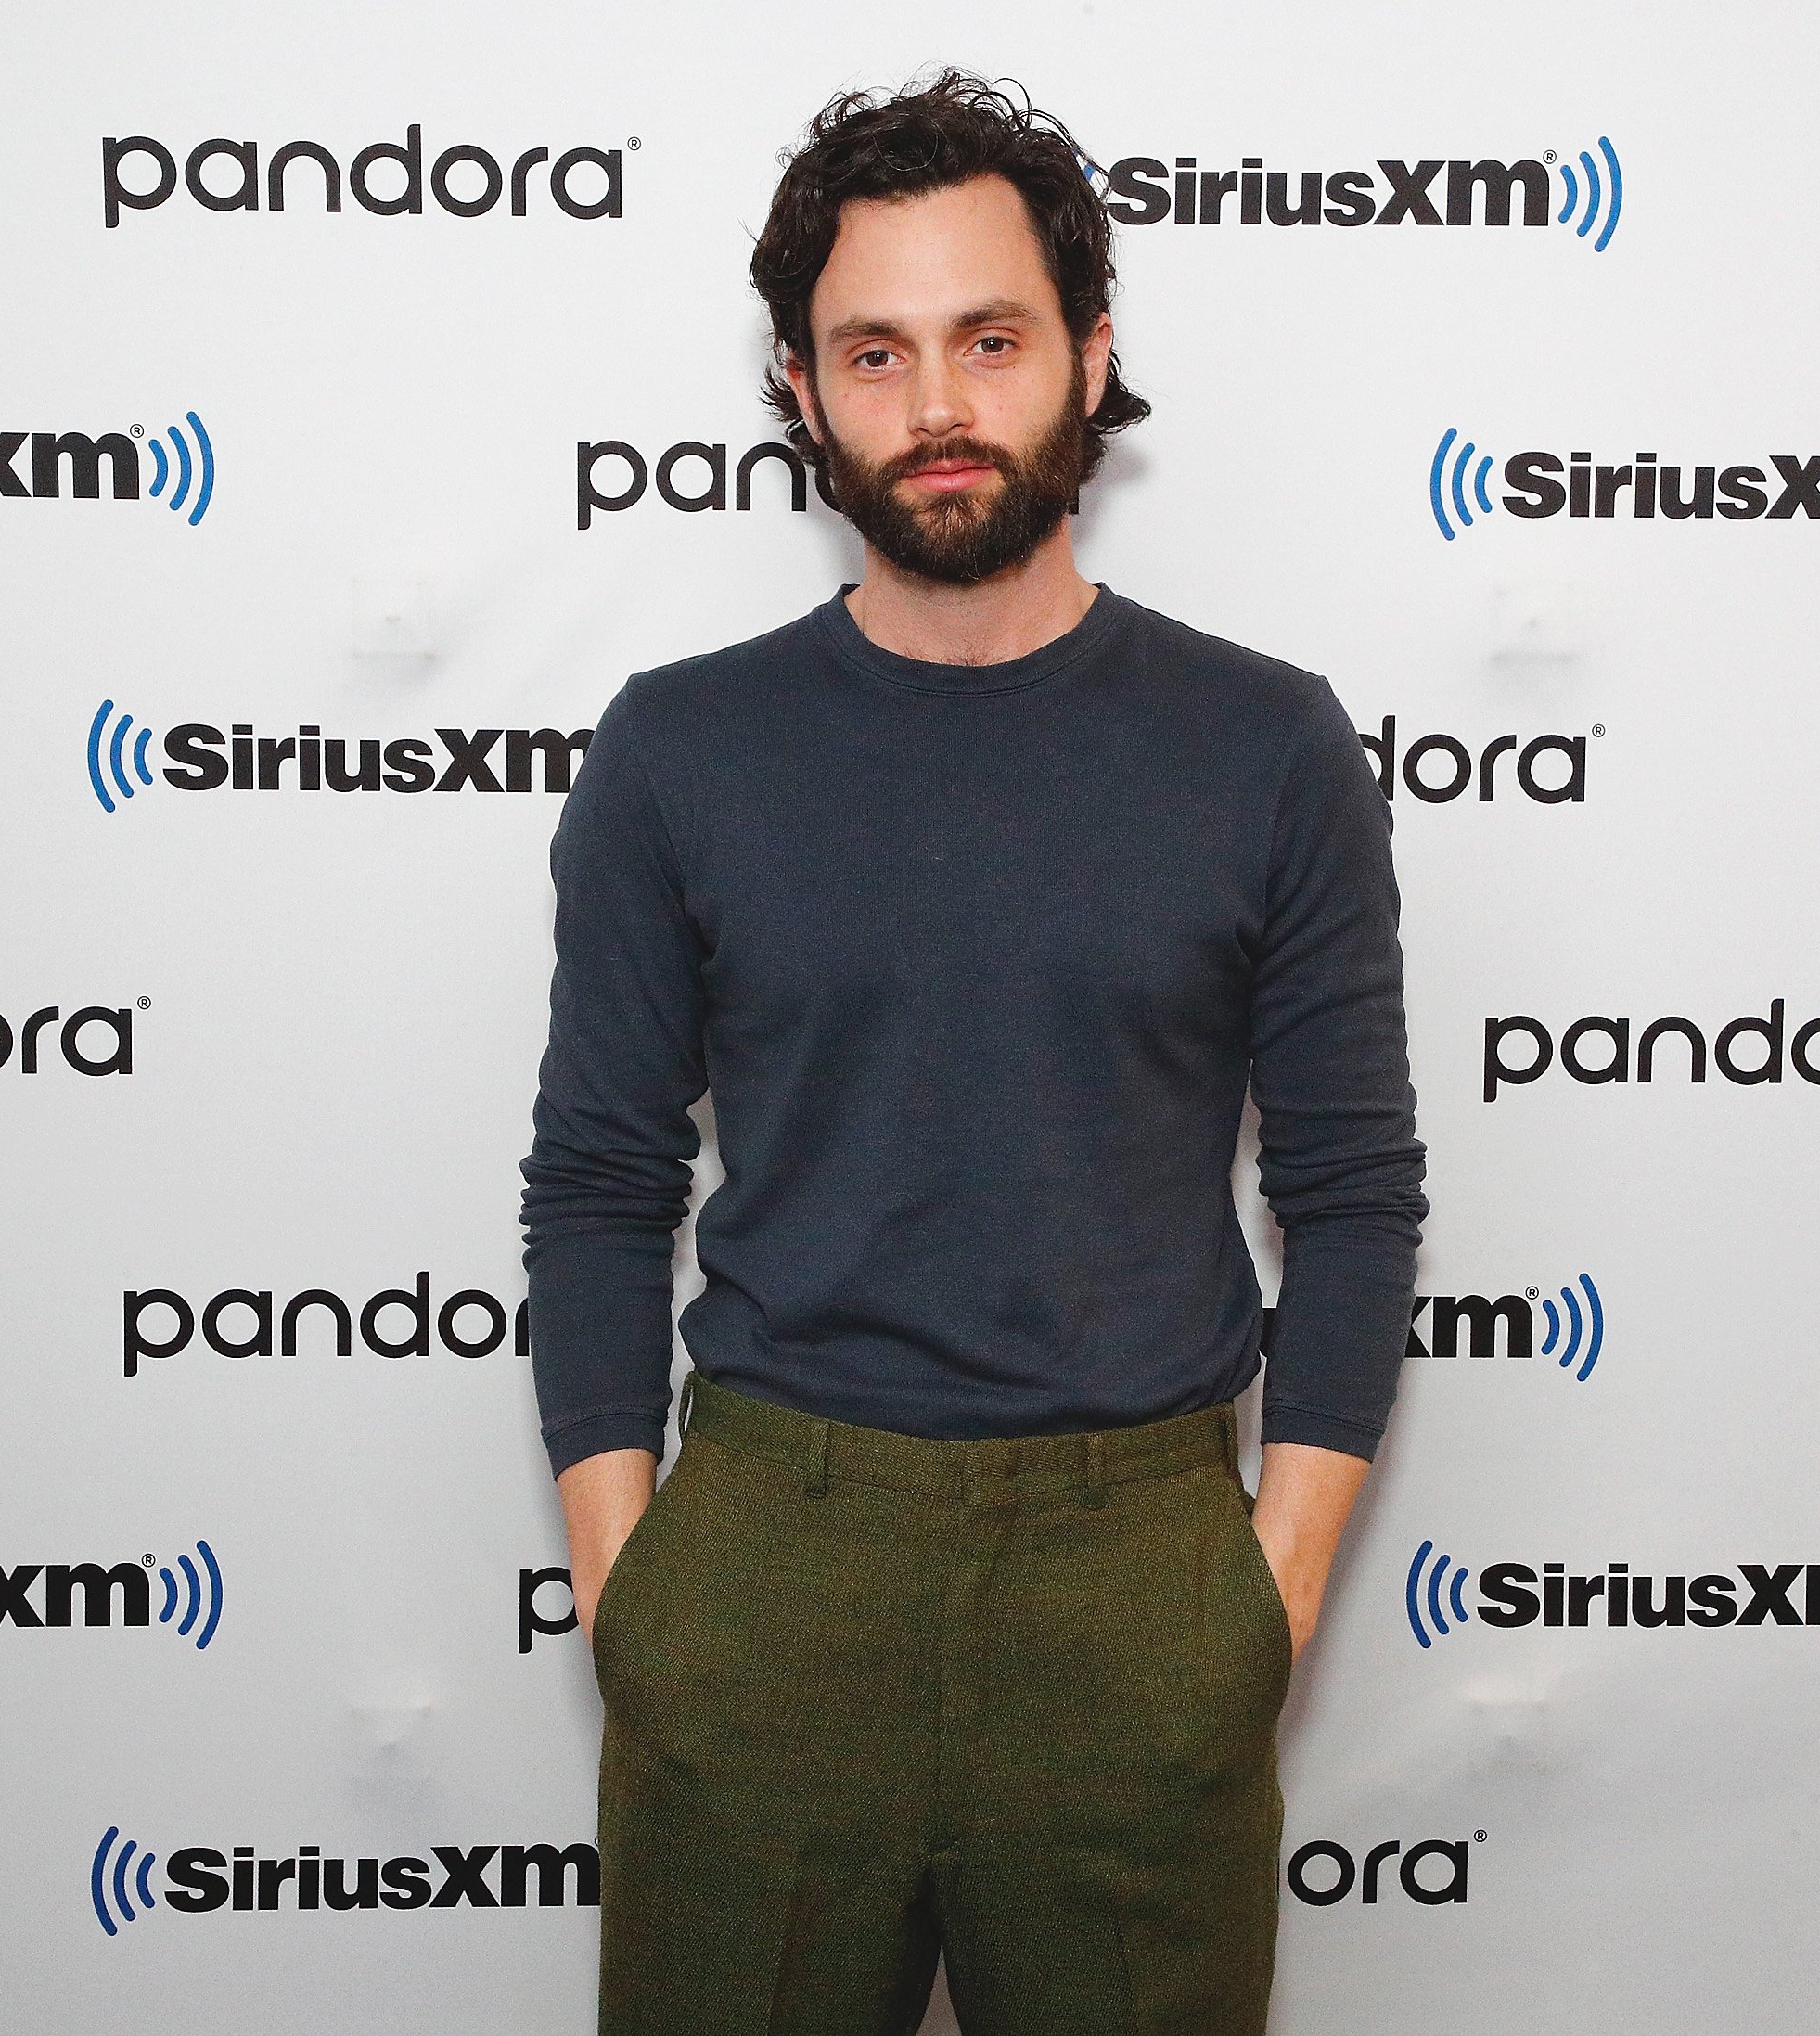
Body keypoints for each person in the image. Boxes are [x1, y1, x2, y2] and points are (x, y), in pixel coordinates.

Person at [519, 71, 1426, 2036]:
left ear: (1089, 354)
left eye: (990, 339)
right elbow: (598, 1186)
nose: (938, 402)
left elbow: (1353, 1198)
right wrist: (635, 1602)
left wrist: (1258, 1610)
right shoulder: (680, 749)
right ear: (802, 389)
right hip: (765, 1577)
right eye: (877, 351)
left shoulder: (1268, 746)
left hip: (1139, 1592)